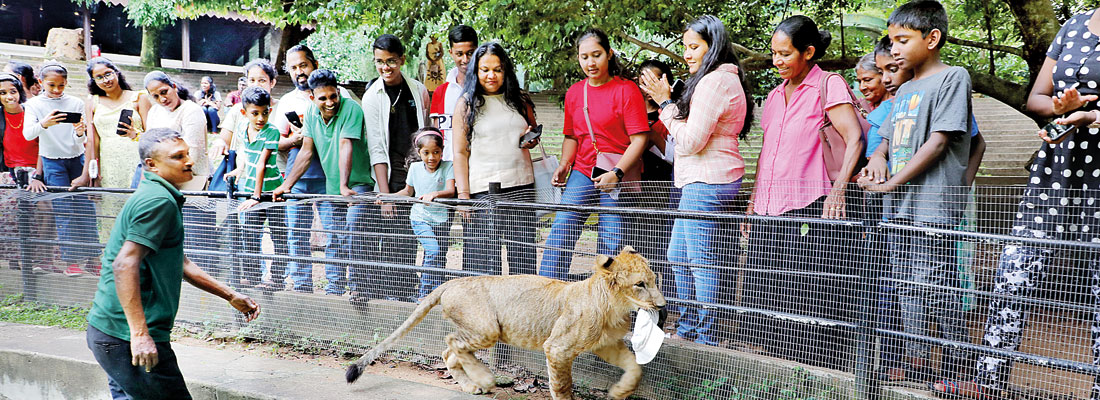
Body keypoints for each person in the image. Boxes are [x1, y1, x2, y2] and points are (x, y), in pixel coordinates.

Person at [929, 6, 1100, 399]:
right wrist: (1060, 109)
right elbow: (1036, 97)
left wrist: (1091, 118)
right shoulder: (1074, 26)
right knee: (1014, 271)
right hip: (1056, 168)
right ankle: (989, 380)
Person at [85, 128, 260, 400]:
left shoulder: (158, 194)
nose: (189, 161)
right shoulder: (158, 201)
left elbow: (180, 261)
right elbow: (124, 264)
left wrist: (231, 295)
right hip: (126, 336)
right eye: (178, 157)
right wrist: (140, 335)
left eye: (187, 154)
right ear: (152, 165)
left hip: (110, 332)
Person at [857, 0, 973, 385]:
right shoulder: (905, 89)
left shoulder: (952, 78)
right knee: (907, 285)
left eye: (902, 40)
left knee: (935, 284)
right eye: (892, 42)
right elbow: (887, 139)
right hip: (899, 206)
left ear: (932, 38)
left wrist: (891, 181)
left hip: (931, 204)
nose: (894, 49)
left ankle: (961, 364)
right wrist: (876, 159)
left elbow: (939, 142)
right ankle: (918, 357)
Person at [743, 15, 865, 369]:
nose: (777, 61)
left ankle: (812, 363)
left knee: (806, 286)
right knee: (767, 284)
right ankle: (776, 363)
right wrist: (752, 202)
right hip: (768, 205)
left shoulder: (829, 84)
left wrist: (838, 192)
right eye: (773, 53)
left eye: (785, 54)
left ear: (808, 52)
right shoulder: (774, 96)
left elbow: (854, 137)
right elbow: (767, 154)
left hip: (809, 202)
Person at [637, 15, 752, 346]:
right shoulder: (717, 79)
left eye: (694, 47)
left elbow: (689, 142)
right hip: (703, 178)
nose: (687, 54)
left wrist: (664, 103)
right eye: (685, 47)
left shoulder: (714, 82)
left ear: (711, 46)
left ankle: (706, 337)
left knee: (701, 261)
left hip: (708, 179)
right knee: (677, 255)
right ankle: (689, 328)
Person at [538, 28, 649, 280]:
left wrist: (617, 173)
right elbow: (571, 136)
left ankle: (607, 300)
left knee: (612, 237)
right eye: (584, 57)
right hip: (583, 169)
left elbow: (639, 139)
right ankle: (547, 288)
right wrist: (565, 164)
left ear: (609, 54)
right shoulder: (575, 93)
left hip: (617, 171)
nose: (590, 62)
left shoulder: (626, 90)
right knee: (562, 227)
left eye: (596, 55)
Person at [274, 69, 376, 304]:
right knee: (334, 237)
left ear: (338, 92)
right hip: (333, 186)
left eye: (333, 96)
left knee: (353, 230)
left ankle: (359, 287)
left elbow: (345, 144)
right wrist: (286, 185)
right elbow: (307, 151)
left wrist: (343, 185)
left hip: (357, 184)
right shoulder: (310, 112)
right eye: (323, 98)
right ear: (312, 98)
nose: (329, 102)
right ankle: (334, 290)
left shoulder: (351, 109)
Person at [451, 42, 540, 276]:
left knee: (523, 259)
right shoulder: (466, 105)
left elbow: (530, 131)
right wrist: (463, 196)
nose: (491, 76)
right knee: (482, 262)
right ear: (476, 72)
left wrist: (530, 139)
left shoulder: (520, 100)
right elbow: (460, 152)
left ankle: (522, 312)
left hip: (521, 187)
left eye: (498, 70)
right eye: (485, 70)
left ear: (506, 71)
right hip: (483, 192)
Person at [363, 34, 429, 299]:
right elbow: (376, 148)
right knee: (392, 233)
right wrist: (385, 194)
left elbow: (426, 132)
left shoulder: (418, 90)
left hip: (417, 171)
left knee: (411, 232)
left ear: (402, 60)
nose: (385, 67)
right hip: (391, 175)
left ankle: (405, 289)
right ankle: (390, 291)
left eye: (391, 61)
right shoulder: (372, 96)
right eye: (380, 62)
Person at [23, 62, 99, 275]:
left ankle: (94, 259)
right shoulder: (33, 105)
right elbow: (28, 134)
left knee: (86, 210)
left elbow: (81, 139)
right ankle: (70, 262)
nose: (57, 90)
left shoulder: (75, 102)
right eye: (52, 85)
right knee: (64, 211)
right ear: (41, 82)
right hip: (52, 162)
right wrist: (45, 123)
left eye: (61, 85)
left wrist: (79, 132)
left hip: (77, 159)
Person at [380, 128, 454, 301]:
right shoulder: (414, 168)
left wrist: (435, 194)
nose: (431, 157)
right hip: (420, 218)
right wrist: (387, 197)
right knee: (433, 250)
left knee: (438, 255)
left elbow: (450, 190)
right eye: (426, 153)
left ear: (442, 151)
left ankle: (437, 293)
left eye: (436, 152)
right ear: (419, 152)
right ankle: (424, 294)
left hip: (441, 219)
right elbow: (407, 192)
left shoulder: (448, 166)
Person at [225, 87, 288, 292]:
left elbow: (262, 163)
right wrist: (238, 170)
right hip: (252, 191)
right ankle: (252, 276)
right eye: (255, 113)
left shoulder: (272, 131)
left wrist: (257, 197)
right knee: (250, 235)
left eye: (265, 112)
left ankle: (277, 278)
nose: (261, 118)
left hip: (271, 192)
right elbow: (247, 156)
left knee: (279, 236)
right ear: (245, 113)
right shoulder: (243, 128)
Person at [73, 57, 151, 190]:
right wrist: (87, 174)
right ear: (94, 81)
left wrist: (135, 133)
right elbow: (92, 141)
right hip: (108, 164)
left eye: (108, 74)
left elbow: (152, 137)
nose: (106, 80)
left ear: (117, 73)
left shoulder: (139, 98)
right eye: (99, 77)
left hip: (137, 161)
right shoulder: (92, 102)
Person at [430, 25, 479, 161]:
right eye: (459, 54)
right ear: (451, 53)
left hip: (480, 166)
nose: (465, 59)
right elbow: (437, 135)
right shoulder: (441, 92)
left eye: (470, 53)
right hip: (449, 166)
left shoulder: (488, 87)